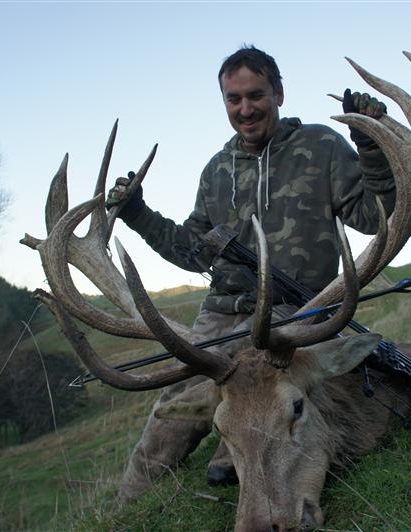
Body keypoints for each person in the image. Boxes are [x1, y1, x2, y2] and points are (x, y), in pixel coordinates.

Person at [106, 45, 394, 507]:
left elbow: (372, 215)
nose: (245, 108)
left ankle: (238, 465)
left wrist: (371, 144)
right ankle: (124, 510)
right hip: (219, 313)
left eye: (255, 95)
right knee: (169, 419)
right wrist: (136, 213)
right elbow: (192, 250)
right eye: (233, 99)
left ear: (278, 93)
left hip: (293, 312)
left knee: (263, 401)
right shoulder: (217, 170)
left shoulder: (321, 146)